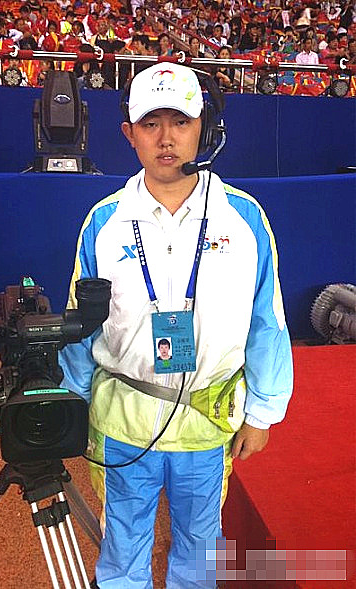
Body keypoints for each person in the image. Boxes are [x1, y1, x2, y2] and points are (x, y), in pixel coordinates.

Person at [59, 62, 293, 589]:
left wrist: (263, 411)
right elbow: (81, 323)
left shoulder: (243, 218)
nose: (166, 138)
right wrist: (71, 402)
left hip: (206, 420)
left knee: (198, 549)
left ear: (203, 127)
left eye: (180, 122)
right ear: (130, 133)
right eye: (151, 123)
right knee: (123, 549)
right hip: (122, 418)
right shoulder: (104, 221)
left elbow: (267, 319)